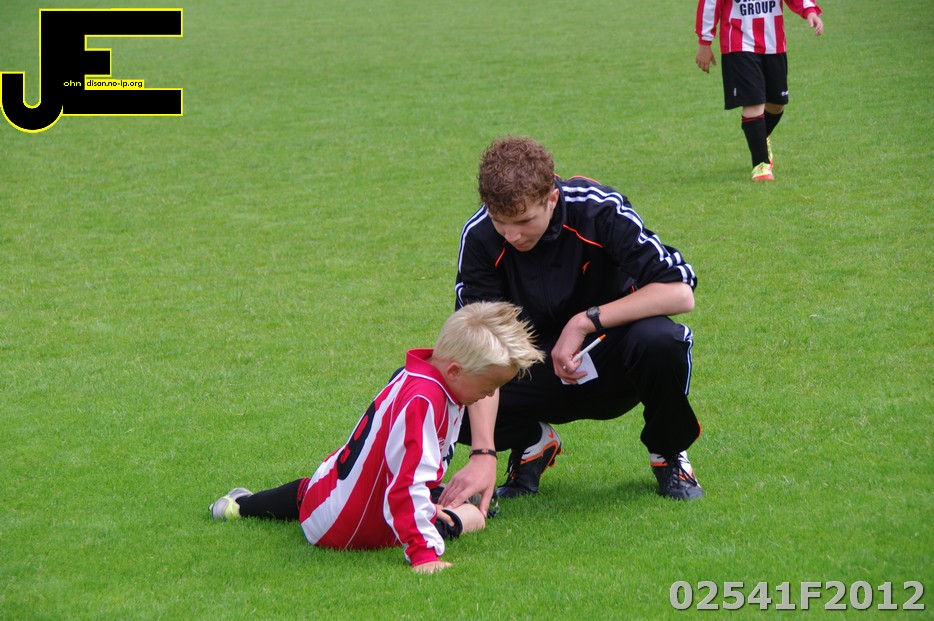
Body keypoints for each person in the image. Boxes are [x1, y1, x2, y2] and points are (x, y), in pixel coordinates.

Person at [437, 136, 703, 513]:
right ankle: (532, 441)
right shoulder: (480, 237)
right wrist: (484, 454)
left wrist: (584, 322)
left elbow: (679, 292)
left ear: (552, 198)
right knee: (438, 382)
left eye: (524, 221)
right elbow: (479, 349)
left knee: (661, 340)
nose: (512, 236)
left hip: (612, 362)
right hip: (530, 373)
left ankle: (668, 452)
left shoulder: (598, 210)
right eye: (501, 223)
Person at [209, 301, 544, 574]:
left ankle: (239, 507)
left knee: (312, 490)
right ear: (455, 370)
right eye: (489, 386)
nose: (490, 394)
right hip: (349, 531)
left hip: (329, 500)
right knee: (472, 516)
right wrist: (424, 555)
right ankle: (446, 525)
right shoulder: (425, 402)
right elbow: (406, 487)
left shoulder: (421, 375)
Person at [695, 0, 824, 181]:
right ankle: (761, 165)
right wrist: (704, 42)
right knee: (753, 103)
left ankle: (760, 137)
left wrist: (809, 10)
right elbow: (709, 4)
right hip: (738, 43)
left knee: (777, 105)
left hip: (773, 43)